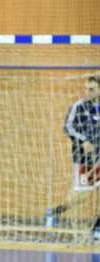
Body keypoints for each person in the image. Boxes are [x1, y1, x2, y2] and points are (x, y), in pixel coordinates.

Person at [45, 75, 100, 240]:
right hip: (83, 159)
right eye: (86, 88)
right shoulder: (79, 107)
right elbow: (67, 127)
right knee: (81, 195)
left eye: (91, 89)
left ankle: (97, 227)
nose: (87, 92)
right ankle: (55, 212)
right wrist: (83, 141)